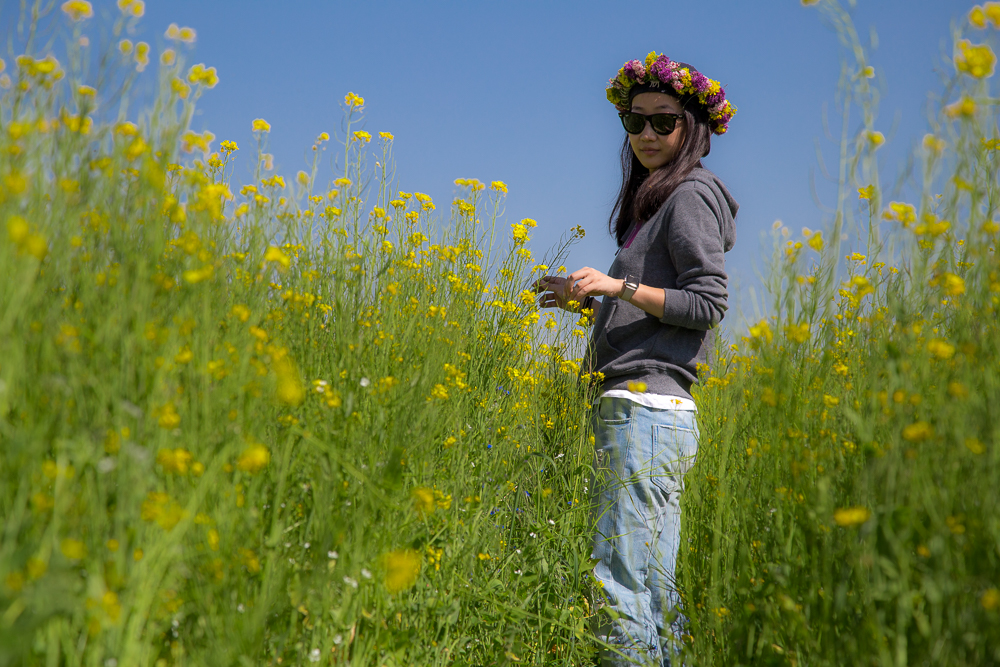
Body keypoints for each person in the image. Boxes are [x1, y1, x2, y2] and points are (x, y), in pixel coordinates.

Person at [536, 53, 738, 666]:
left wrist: (616, 287)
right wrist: (587, 298)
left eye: (664, 122)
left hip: (646, 412)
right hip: (648, 411)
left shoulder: (691, 196)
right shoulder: (657, 205)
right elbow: (654, 308)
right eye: (635, 121)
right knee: (651, 585)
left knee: (619, 582)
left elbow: (708, 302)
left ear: (692, 130)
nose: (647, 135)